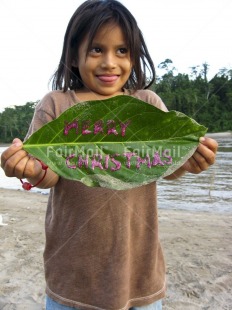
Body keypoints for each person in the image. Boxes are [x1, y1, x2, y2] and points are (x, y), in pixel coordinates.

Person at [0, 1, 218, 309]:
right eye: (96, 50)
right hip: (72, 274)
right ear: (74, 56)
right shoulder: (56, 104)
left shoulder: (146, 102)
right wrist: (28, 169)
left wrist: (189, 161)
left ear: (134, 56)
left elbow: (164, 165)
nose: (109, 62)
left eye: (122, 51)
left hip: (138, 272)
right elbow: (48, 174)